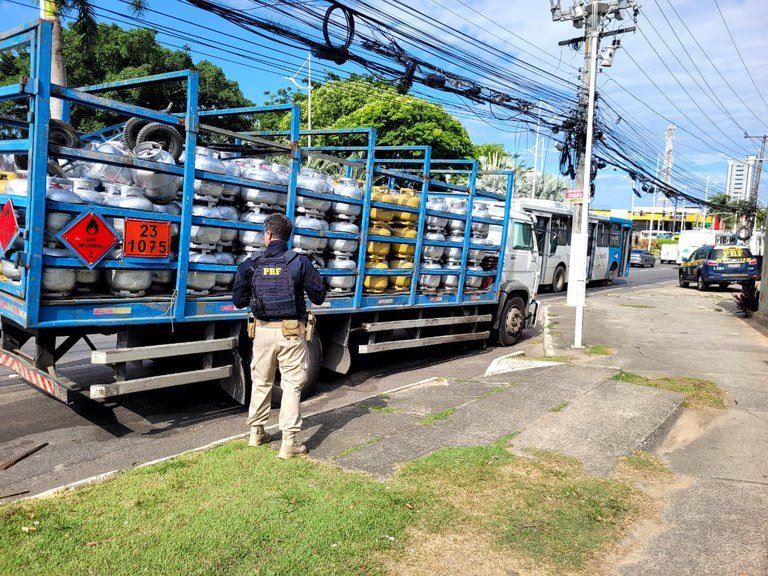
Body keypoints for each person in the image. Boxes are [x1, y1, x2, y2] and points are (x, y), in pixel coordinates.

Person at [232, 213, 326, 459]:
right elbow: (318, 296)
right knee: (292, 385)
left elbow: (239, 301)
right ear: (287, 236)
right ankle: (289, 443)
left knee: (261, 382)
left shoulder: (251, 263)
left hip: (261, 332)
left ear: (268, 235)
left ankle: (256, 432)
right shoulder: (299, 262)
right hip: (291, 333)